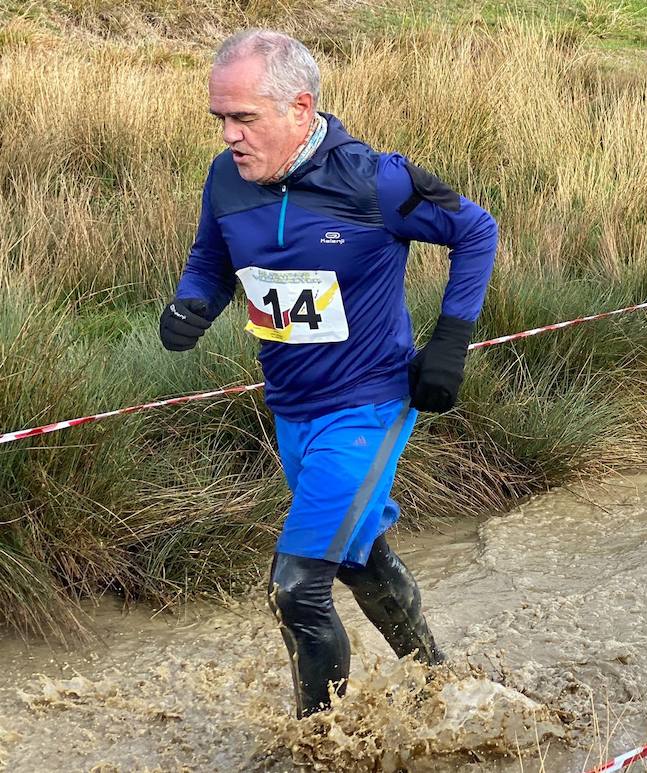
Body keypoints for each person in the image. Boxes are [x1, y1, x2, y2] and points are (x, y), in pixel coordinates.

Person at [159, 29, 498, 717]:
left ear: (300, 108)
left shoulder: (375, 179)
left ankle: (320, 747)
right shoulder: (227, 180)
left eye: (243, 117)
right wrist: (194, 301)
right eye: (219, 119)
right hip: (290, 406)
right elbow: (210, 259)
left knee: (296, 585)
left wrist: (451, 339)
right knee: (357, 553)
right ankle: (441, 685)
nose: (228, 135)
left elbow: (476, 229)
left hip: (368, 405)